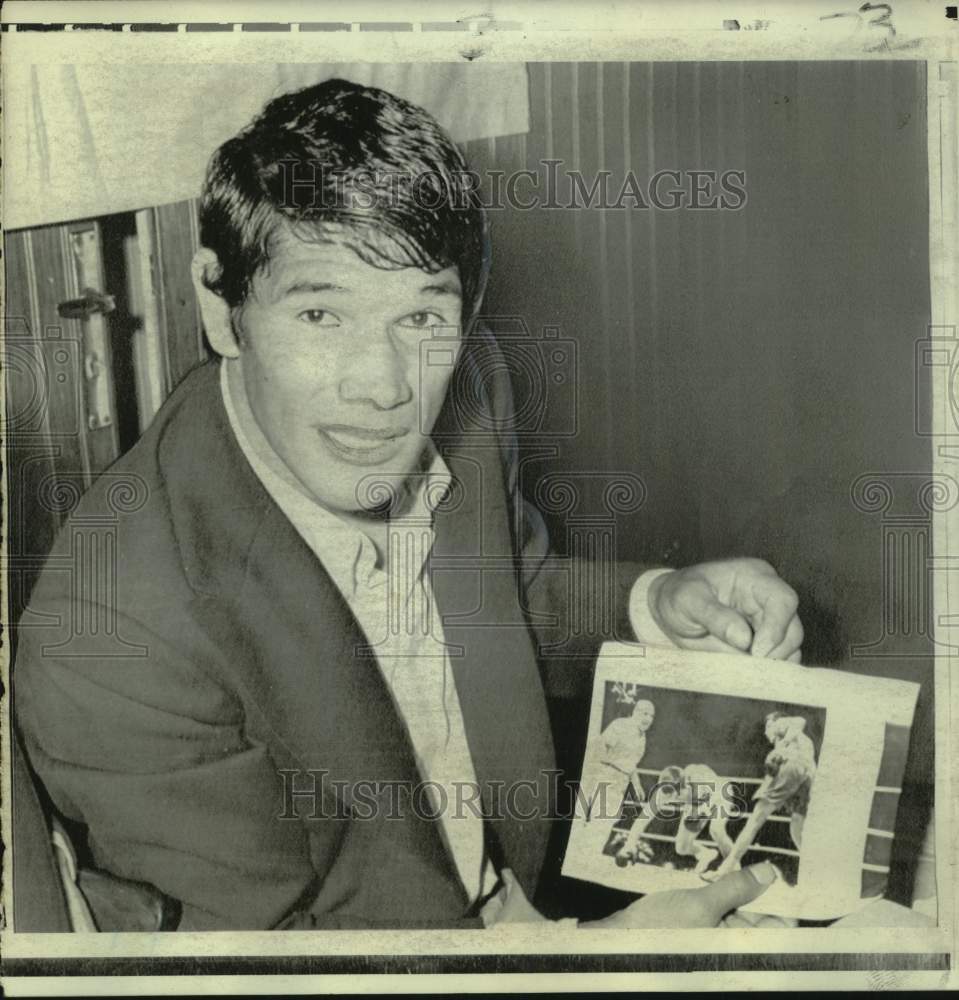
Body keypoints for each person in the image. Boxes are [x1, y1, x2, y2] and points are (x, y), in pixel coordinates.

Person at [13, 78, 802, 931]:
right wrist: (582, 971)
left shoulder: (467, 384)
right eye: (321, 313)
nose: (384, 388)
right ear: (220, 305)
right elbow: (266, 972)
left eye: (423, 316)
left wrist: (656, 601)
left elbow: (503, 593)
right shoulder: (115, 638)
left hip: (510, 898)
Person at [711, 713, 817, 878]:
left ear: (773, 722)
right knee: (796, 824)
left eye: (767, 727)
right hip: (809, 771)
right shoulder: (794, 743)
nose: (766, 732)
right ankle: (814, 868)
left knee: (755, 820)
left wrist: (782, 745)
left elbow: (800, 721)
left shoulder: (782, 727)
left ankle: (726, 869)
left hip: (795, 765)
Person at [616, 763, 736, 874]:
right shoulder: (663, 793)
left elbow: (716, 795)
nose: (673, 797)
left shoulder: (699, 777)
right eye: (669, 794)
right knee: (682, 848)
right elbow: (642, 819)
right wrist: (629, 845)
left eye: (677, 794)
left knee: (716, 830)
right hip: (696, 803)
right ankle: (705, 854)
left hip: (720, 793)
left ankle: (735, 868)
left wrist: (700, 810)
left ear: (686, 785)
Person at [581, 699, 655, 824]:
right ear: (635, 711)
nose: (648, 718)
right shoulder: (620, 725)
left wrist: (637, 785)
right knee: (598, 824)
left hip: (621, 785)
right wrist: (596, 777)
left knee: (606, 825)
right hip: (606, 779)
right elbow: (598, 748)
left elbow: (631, 764)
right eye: (645, 713)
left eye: (651, 716)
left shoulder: (642, 736)